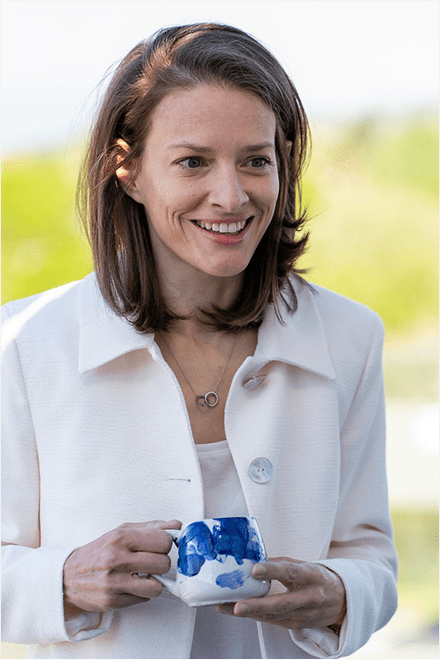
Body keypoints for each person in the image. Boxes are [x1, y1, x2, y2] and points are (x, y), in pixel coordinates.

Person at [1, 22, 398, 660]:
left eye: (255, 160)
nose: (231, 196)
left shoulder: (351, 337)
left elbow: (370, 555)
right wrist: (65, 579)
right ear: (127, 169)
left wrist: (340, 593)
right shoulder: (24, 346)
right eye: (193, 162)